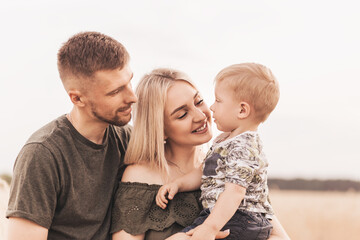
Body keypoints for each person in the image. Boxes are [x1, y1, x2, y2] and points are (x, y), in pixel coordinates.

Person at [111, 68, 289, 240]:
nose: (201, 115)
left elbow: (277, 235)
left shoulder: (230, 164)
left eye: (198, 102)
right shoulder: (140, 177)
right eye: (182, 114)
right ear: (160, 129)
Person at [6, 32, 137, 239]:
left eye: (129, 81)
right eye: (115, 92)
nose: (132, 97)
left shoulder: (128, 139)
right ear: (77, 98)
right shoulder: (42, 154)